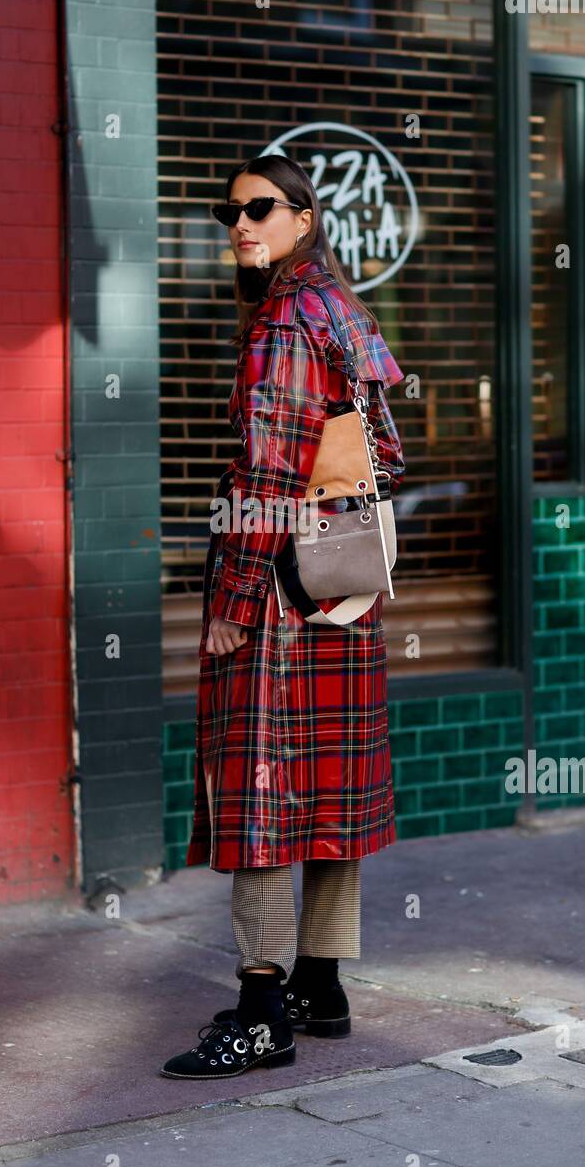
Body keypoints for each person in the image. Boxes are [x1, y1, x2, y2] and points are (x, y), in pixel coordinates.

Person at [161, 155, 405, 1079]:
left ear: (305, 217)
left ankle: (261, 1011)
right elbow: (389, 450)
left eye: (261, 209)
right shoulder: (343, 312)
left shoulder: (281, 321)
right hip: (344, 585)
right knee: (335, 786)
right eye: (230, 212)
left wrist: (227, 603)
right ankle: (321, 984)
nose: (241, 224)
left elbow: (266, 477)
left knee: (259, 793)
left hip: (274, 595)